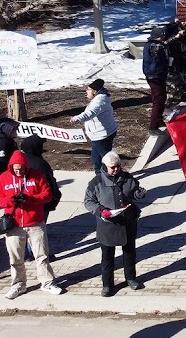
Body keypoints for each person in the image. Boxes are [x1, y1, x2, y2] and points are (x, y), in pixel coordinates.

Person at [0, 151, 63, 298]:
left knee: (42, 255)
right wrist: (11, 200)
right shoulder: (4, 178)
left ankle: (47, 283)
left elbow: (47, 195)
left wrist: (30, 199)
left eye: (21, 168)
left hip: (35, 222)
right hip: (14, 224)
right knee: (15, 258)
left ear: (26, 166)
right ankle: (18, 285)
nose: (18, 171)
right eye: (15, 169)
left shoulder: (37, 176)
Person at [84, 151, 147, 296]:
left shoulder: (127, 178)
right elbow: (88, 201)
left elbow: (134, 193)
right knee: (107, 257)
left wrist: (139, 194)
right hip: (107, 226)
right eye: (112, 167)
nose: (116, 169)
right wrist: (100, 211)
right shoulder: (96, 182)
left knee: (129, 253)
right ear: (105, 167)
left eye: (118, 166)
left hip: (127, 223)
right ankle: (107, 285)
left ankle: (131, 278)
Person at [71, 79, 118, 177]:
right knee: (96, 157)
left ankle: (114, 177)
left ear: (95, 91)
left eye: (88, 89)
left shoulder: (99, 102)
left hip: (102, 136)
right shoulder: (99, 99)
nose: (86, 91)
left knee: (108, 160)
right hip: (99, 134)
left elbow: (90, 114)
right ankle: (99, 175)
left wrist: (77, 118)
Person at [143, 25, 171, 132]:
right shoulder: (152, 45)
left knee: (162, 98)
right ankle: (153, 127)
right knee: (158, 101)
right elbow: (159, 48)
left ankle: (158, 119)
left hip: (159, 75)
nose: (163, 38)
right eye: (161, 36)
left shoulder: (156, 44)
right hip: (154, 76)